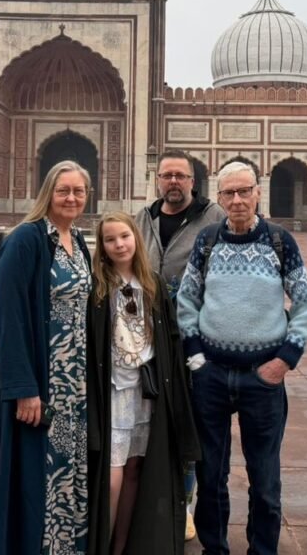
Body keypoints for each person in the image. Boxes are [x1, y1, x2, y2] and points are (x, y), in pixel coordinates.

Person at [176, 162, 307, 555]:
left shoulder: (279, 241)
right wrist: (195, 356)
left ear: (259, 192)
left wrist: (285, 360)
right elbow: (187, 300)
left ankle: (262, 550)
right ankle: (214, 549)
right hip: (212, 376)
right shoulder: (206, 242)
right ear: (218, 198)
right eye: (228, 193)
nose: (236, 200)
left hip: (263, 377)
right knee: (211, 475)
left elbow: (306, 303)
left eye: (244, 191)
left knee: (265, 477)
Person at [0, 161, 106, 555]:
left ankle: (64, 545)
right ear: (47, 193)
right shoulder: (26, 240)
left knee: (67, 467)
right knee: (33, 470)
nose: (71, 198)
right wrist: (23, 388)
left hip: (74, 384)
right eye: (63, 190)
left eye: (78, 191)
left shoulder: (77, 240)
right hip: (41, 379)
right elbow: (9, 317)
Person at [89, 212, 199, 554]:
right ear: (102, 247)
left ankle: (122, 544)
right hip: (113, 390)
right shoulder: (96, 287)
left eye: (124, 236)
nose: (119, 244)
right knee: (112, 470)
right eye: (110, 239)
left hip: (146, 391)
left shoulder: (151, 284)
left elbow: (169, 338)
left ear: (136, 238)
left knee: (136, 466)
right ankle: (102, 543)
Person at [135, 149, 223, 541]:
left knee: (189, 421)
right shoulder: (145, 218)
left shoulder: (214, 217)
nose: (173, 182)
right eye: (167, 175)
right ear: (158, 180)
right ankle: (155, 501)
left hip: (195, 338)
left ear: (193, 180)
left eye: (181, 176)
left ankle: (187, 505)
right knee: (151, 421)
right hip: (149, 337)